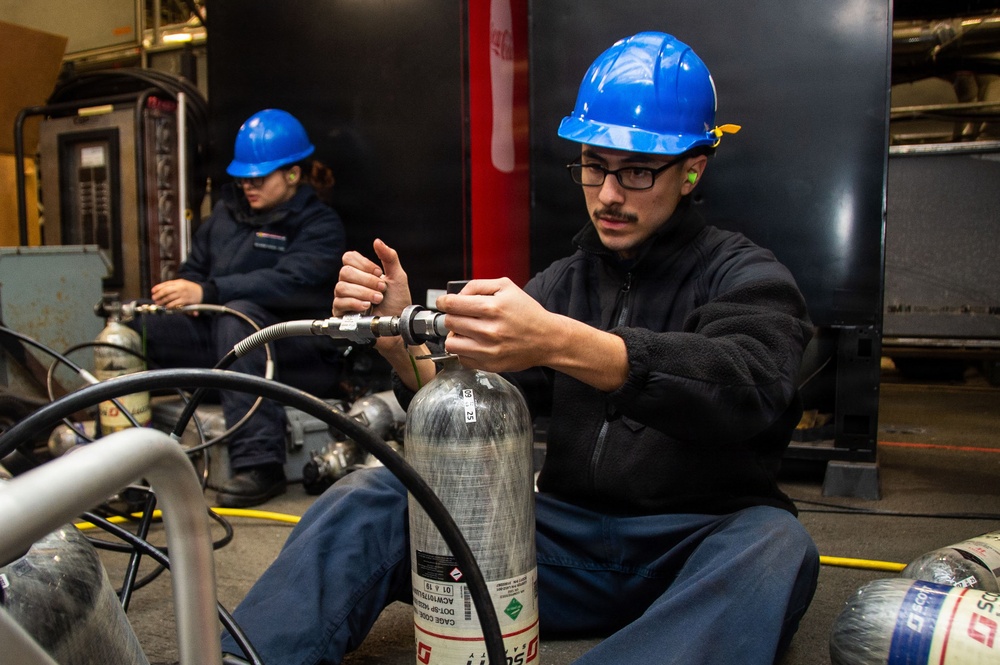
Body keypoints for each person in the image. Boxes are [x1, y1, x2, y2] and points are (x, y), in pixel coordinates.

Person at [222, 32, 819, 663]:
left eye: (637, 170)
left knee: (777, 544)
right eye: (594, 164)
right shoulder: (562, 282)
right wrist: (398, 334)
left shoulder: (746, 275)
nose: (609, 194)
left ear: (693, 168)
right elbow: (468, 402)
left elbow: (746, 385)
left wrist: (560, 340)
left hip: (695, 546)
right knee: (376, 494)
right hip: (559, 545)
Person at [133, 108, 348, 508]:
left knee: (240, 316)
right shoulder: (223, 219)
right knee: (137, 325)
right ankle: (123, 458)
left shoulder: (320, 225)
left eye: (259, 176)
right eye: (244, 176)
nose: (249, 184)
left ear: (292, 174)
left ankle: (260, 465)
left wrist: (209, 291)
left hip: (294, 353)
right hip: (222, 343)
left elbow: (291, 283)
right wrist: (180, 297)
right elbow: (194, 272)